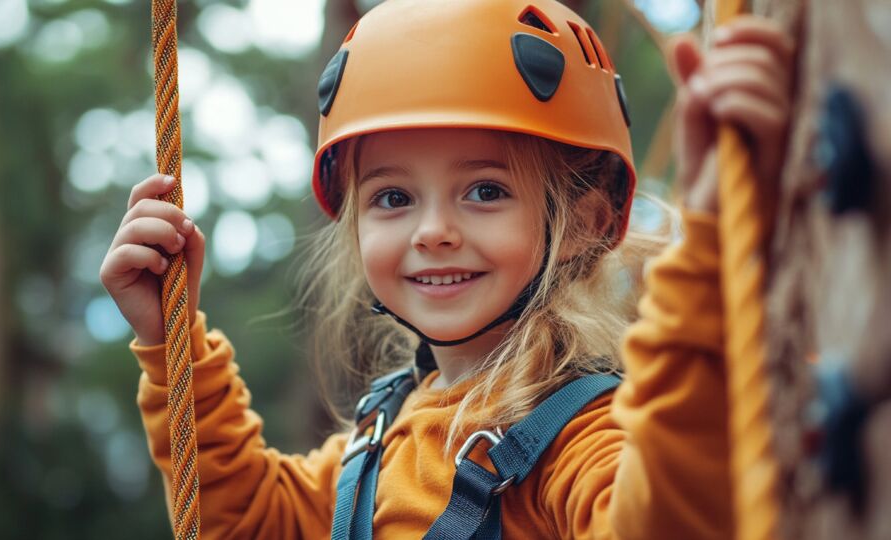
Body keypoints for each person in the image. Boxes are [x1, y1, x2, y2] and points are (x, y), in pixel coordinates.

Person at [100, 0, 794, 538]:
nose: (433, 232)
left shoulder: (582, 438)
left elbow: (662, 520)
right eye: (394, 198)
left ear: (583, 223)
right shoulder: (385, 434)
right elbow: (253, 521)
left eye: (486, 191)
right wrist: (172, 341)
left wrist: (707, 244)